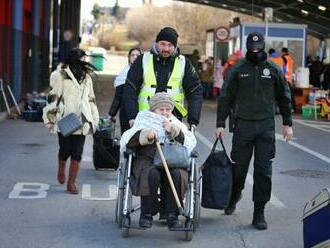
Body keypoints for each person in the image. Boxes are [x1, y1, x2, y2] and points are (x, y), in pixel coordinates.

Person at [123, 26, 203, 221]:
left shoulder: (184, 63)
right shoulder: (144, 60)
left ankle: (170, 213)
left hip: (172, 123)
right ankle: (148, 212)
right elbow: (130, 88)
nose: (166, 48)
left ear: (175, 46)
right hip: (145, 120)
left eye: (169, 45)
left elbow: (195, 91)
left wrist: (192, 120)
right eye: (163, 44)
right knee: (149, 169)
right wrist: (132, 117)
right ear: (157, 43)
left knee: (175, 171)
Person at [216, 32, 293, 230]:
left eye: (258, 47)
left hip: (266, 127)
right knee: (239, 169)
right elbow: (225, 96)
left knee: (263, 172)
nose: (255, 51)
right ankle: (234, 196)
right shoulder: (238, 69)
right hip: (243, 126)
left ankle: (259, 212)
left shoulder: (273, 69)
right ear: (248, 47)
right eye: (252, 47)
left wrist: (287, 123)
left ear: (263, 47)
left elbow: (284, 96)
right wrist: (220, 123)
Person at [120, 92, 196, 229]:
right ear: (153, 109)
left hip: (172, 159)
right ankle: (147, 214)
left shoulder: (174, 122)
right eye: (161, 109)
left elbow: (189, 144)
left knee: (177, 175)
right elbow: (127, 141)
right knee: (151, 174)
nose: (165, 113)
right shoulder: (143, 119)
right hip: (147, 158)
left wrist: (174, 131)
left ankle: (172, 215)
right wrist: (146, 135)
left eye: (168, 110)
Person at [43, 48, 99, 194]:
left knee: (77, 151)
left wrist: (94, 118)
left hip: (82, 119)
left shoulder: (86, 77)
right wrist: (50, 118)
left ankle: (71, 182)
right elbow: (53, 97)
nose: (82, 62)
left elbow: (91, 98)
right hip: (65, 118)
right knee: (65, 149)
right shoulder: (59, 75)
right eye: (80, 59)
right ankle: (61, 169)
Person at [108, 47, 142, 134]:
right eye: (132, 55)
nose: (135, 57)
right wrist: (112, 114)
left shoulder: (146, 72)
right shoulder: (124, 73)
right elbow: (118, 97)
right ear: (129, 57)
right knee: (127, 138)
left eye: (137, 55)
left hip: (142, 111)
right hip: (126, 112)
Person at [281, 47, 296, 112]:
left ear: (283, 52)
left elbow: (283, 68)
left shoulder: (283, 58)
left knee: (284, 94)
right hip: (289, 79)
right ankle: (293, 107)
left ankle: (285, 108)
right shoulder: (291, 59)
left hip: (284, 78)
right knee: (290, 94)